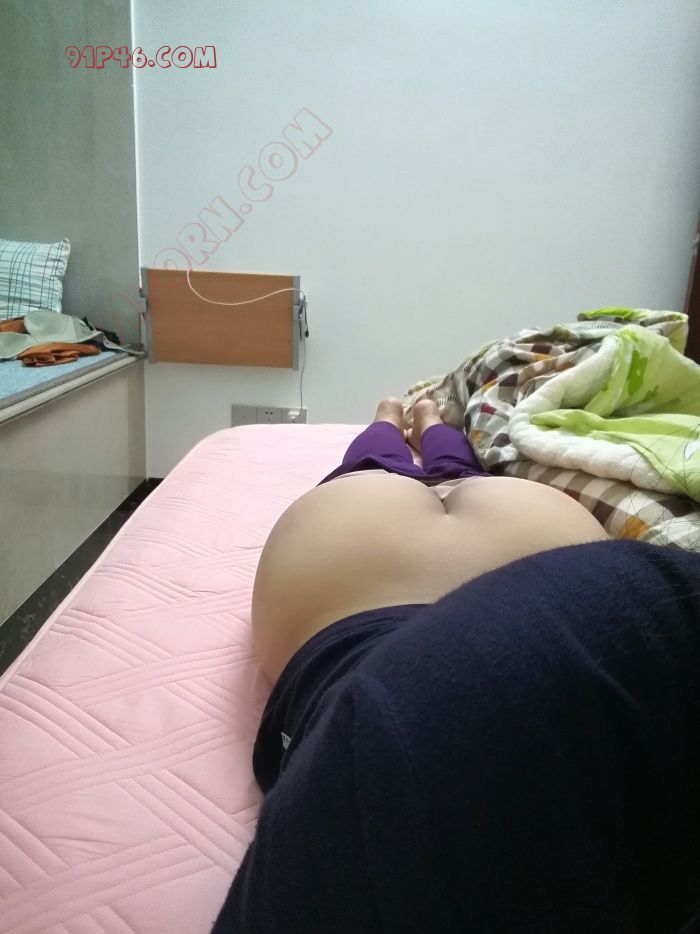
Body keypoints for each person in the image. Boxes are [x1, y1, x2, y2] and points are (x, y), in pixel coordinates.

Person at [211, 398, 700, 933]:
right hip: (405, 566)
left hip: (512, 551)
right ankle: (420, 420)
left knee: (390, 469)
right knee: (422, 470)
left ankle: (399, 418)